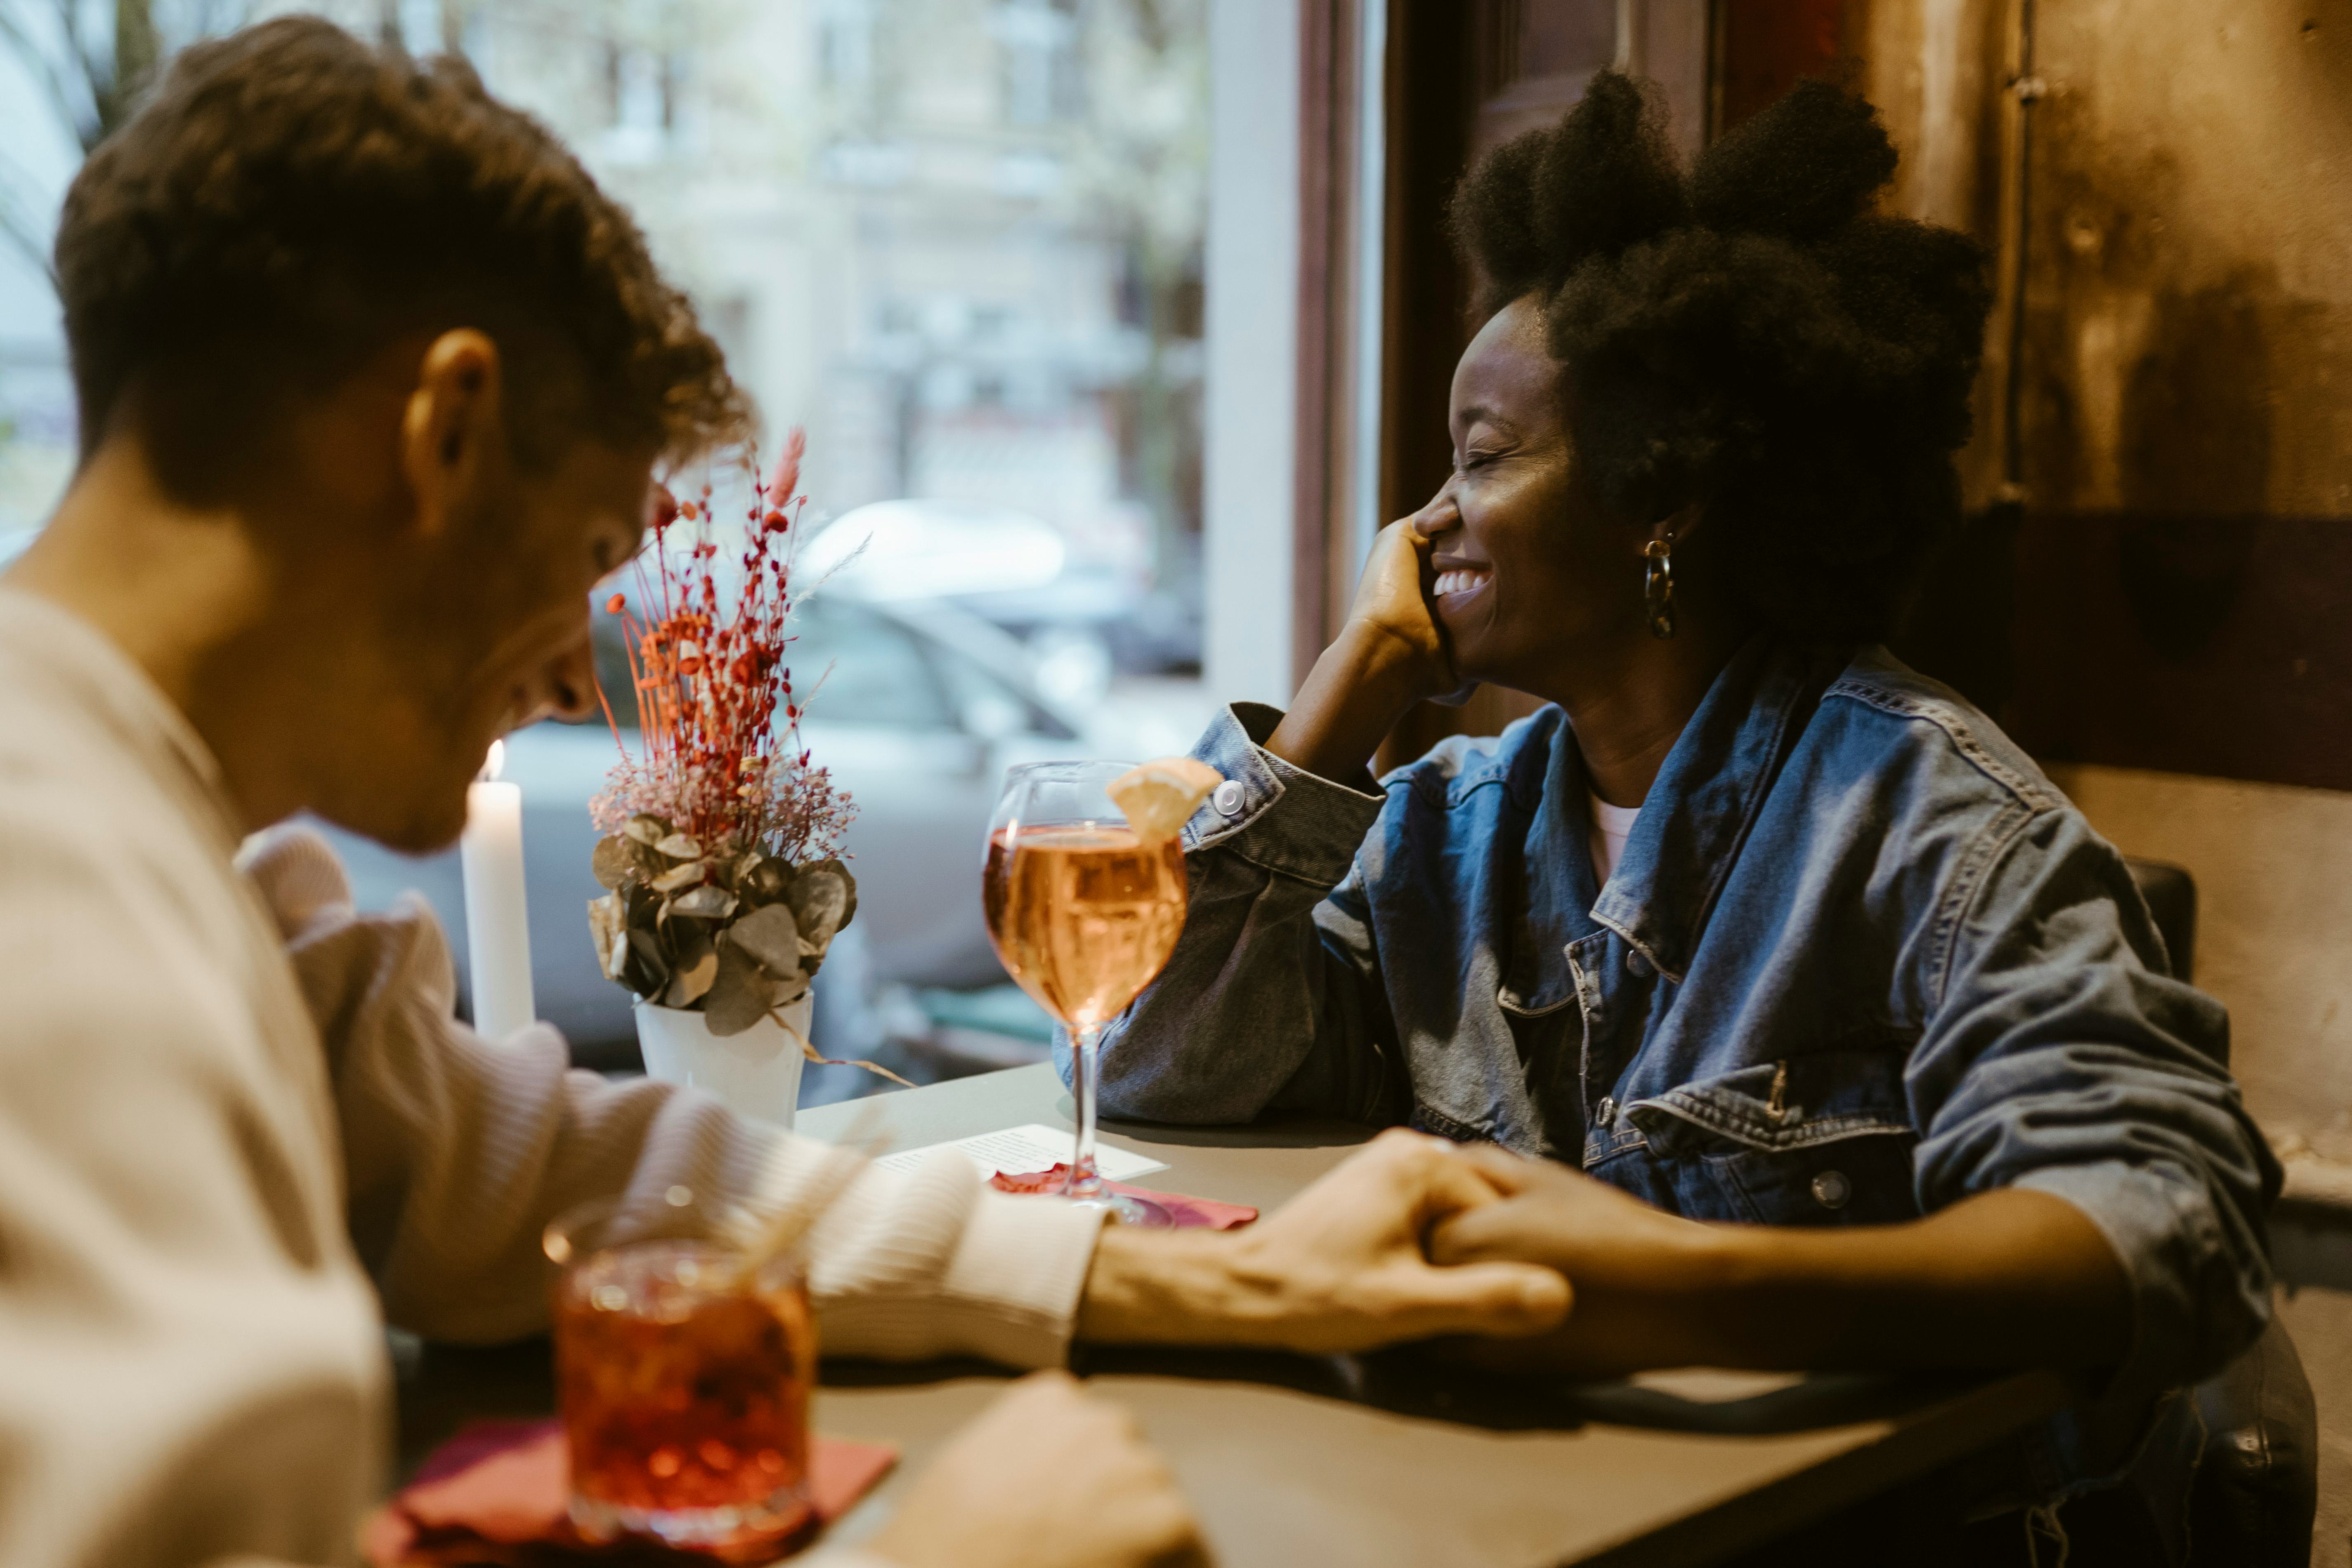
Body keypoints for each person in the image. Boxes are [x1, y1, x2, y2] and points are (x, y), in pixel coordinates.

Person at [0, 20, 1572, 1568]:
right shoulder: (57, 908)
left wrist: (1224, 1284)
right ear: (445, 430)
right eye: (583, 566)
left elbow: (525, 1165)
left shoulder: (157, 851)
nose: (570, 687)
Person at [1088, 73, 2277, 1546]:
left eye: (1481, 456)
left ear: (1667, 499)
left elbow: (2171, 1227)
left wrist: (1658, 1284)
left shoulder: (1935, 825)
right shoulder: (1451, 820)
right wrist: (1346, 693)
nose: (1421, 524)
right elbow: (1159, 1068)